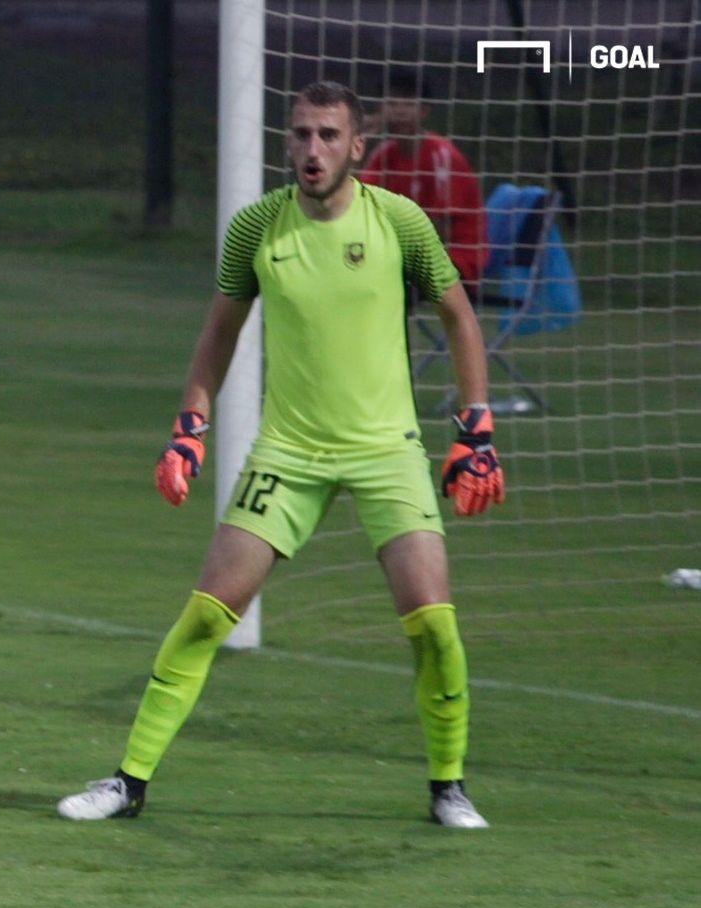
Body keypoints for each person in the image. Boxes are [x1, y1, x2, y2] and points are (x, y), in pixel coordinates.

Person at [55, 81, 505, 829]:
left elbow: (458, 317)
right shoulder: (256, 228)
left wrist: (475, 428)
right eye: (300, 135)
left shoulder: (399, 222)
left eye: (328, 135)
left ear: (357, 146)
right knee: (207, 614)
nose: (311, 150)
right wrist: (189, 427)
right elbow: (219, 331)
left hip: (386, 451)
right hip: (288, 453)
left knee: (432, 621)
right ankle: (127, 782)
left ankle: (448, 787)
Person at [359, 68, 485, 289]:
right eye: (392, 103)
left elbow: (440, 230)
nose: (399, 111)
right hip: (406, 254)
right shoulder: (382, 156)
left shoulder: (442, 156)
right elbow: (356, 203)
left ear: (424, 111)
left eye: (408, 103)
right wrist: (356, 142)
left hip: (455, 258)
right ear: (380, 109)